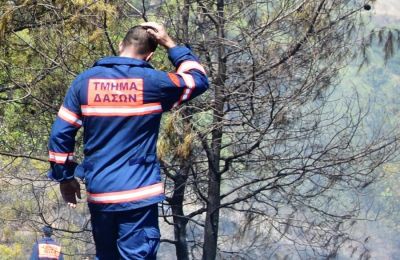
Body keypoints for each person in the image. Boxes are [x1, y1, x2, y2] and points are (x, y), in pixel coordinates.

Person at [47, 22, 209, 259]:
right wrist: (171, 44)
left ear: (121, 45)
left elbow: (60, 134)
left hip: (101, 195)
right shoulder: (154, 83)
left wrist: (65, 178)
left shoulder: (84, 82)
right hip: (138, 197)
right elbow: (198, 79)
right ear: (151, 54)